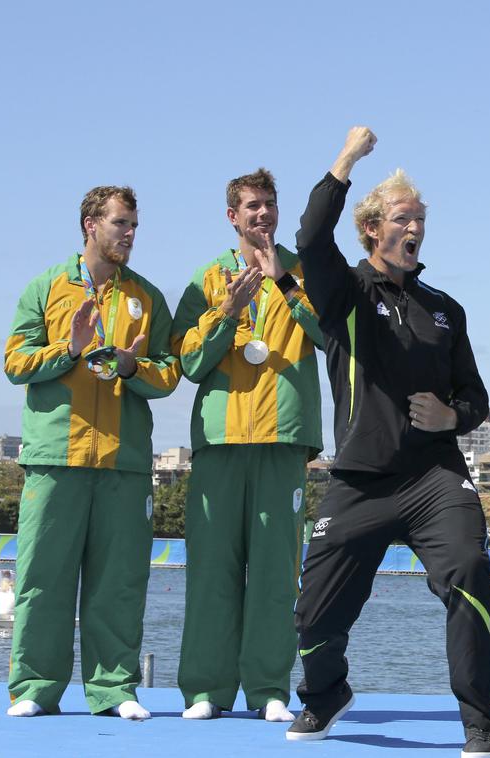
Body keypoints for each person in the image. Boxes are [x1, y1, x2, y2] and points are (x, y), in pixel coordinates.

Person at [286, 127, 490, 758]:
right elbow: (308, 238)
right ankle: (325, 695)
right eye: (405, 217)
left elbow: (478, 400)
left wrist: (451, 418)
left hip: (435, 478)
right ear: (372, 227)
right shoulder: (345, 294)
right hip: (360, 479)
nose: (417, 228)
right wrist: (347, 159)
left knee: (469, 573)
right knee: (314, 618)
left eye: (422, 219)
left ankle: (481, 724)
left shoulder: (445, 308)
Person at [3, 185, 180, 719]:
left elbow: (169, 370)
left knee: (119, 582)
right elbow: (15, 362)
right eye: (120, 224)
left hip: (124, 463)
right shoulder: (46, 287)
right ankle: (35, 688)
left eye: (133, 226)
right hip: (56, 459)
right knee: (42, 580)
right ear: (90, 225)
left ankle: (114, 691)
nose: (128, 234)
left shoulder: (146, 297)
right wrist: (70, 350)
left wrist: (133, 368)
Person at [172, 168, 324, 722]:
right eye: (252, 206)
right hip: (220, 439)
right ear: (232, 216)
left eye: (270, 205)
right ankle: (206, 690)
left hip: (283, 439)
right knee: (212, 569)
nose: (263, 214)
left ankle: (269, 689)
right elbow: (188, 361)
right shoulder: (207, 279)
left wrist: (284, 281)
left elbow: (333, 336)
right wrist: (229, 312)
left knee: (276, 572)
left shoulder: (305, 271)